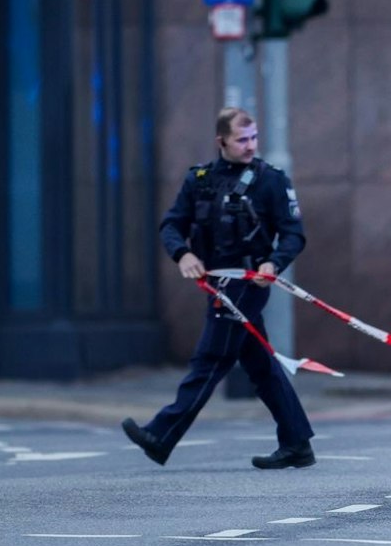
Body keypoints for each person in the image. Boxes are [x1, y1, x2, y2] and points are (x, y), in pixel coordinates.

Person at [122, 107, 316, 470]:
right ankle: (297, 443)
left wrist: (273, 263)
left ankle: (161, 435)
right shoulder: (199, 179)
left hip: (247, 284)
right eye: (242, 139)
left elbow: (293, 234)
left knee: (211, 359)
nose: (250, 146)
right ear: (221, 140)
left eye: (254, 137)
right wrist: (182, 255)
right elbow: (171, 225)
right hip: (216, 283)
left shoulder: (270, 180)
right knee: (260, 366)